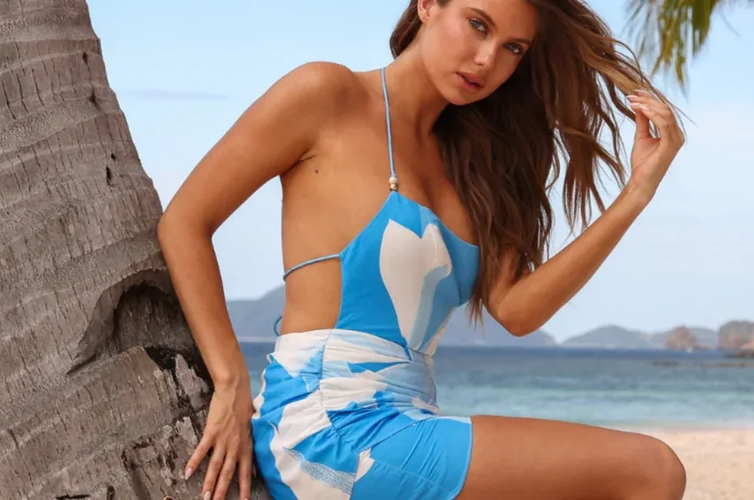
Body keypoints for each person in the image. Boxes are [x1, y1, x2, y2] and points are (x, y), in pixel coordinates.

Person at [158, 1, 687, 499]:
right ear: (428, 4)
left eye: (513, 49)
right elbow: (185, 221)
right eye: (479, 24)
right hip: (327, 428)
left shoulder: (481, 169)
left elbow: (518, 311)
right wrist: (230, 382)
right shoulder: (327, 95)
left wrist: (637, 191)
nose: (488, 59)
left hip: (410, 419)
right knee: (653, 469)